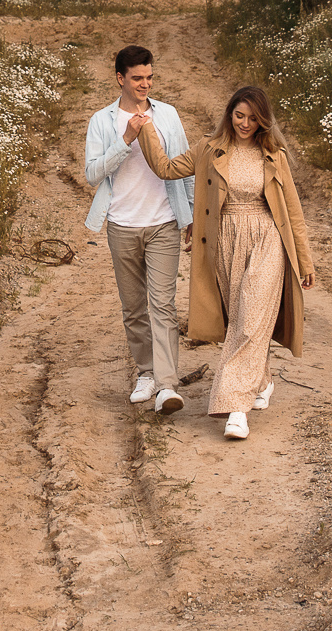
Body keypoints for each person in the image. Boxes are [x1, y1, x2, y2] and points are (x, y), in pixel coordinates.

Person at [134, 84, 315, 440]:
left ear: (263, 121)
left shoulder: (273, 154)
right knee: (241, 318)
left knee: (250, 319)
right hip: (225, 241)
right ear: (229, 114)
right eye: (239, 115)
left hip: (267, 239)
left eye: (252, 118)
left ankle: (235, 407)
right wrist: (146, 130)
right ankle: (261, 380)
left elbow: (292, 210)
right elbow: (167, 169)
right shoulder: (209, 149)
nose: (245, 123)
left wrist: (304, 261)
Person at [84, 45, 195, 414]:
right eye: (137, 78)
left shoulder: (169, 115)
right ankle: (146, 372)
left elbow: (185, 165)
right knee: (134, 308)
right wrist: (126, 139)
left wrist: (191, 216)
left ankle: (166, 385)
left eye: (149, 77)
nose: (145, 84)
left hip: (163, 221)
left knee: (162, 304)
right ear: (120, 78)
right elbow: (92, 173)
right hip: (122, 225)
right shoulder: (102, 121)